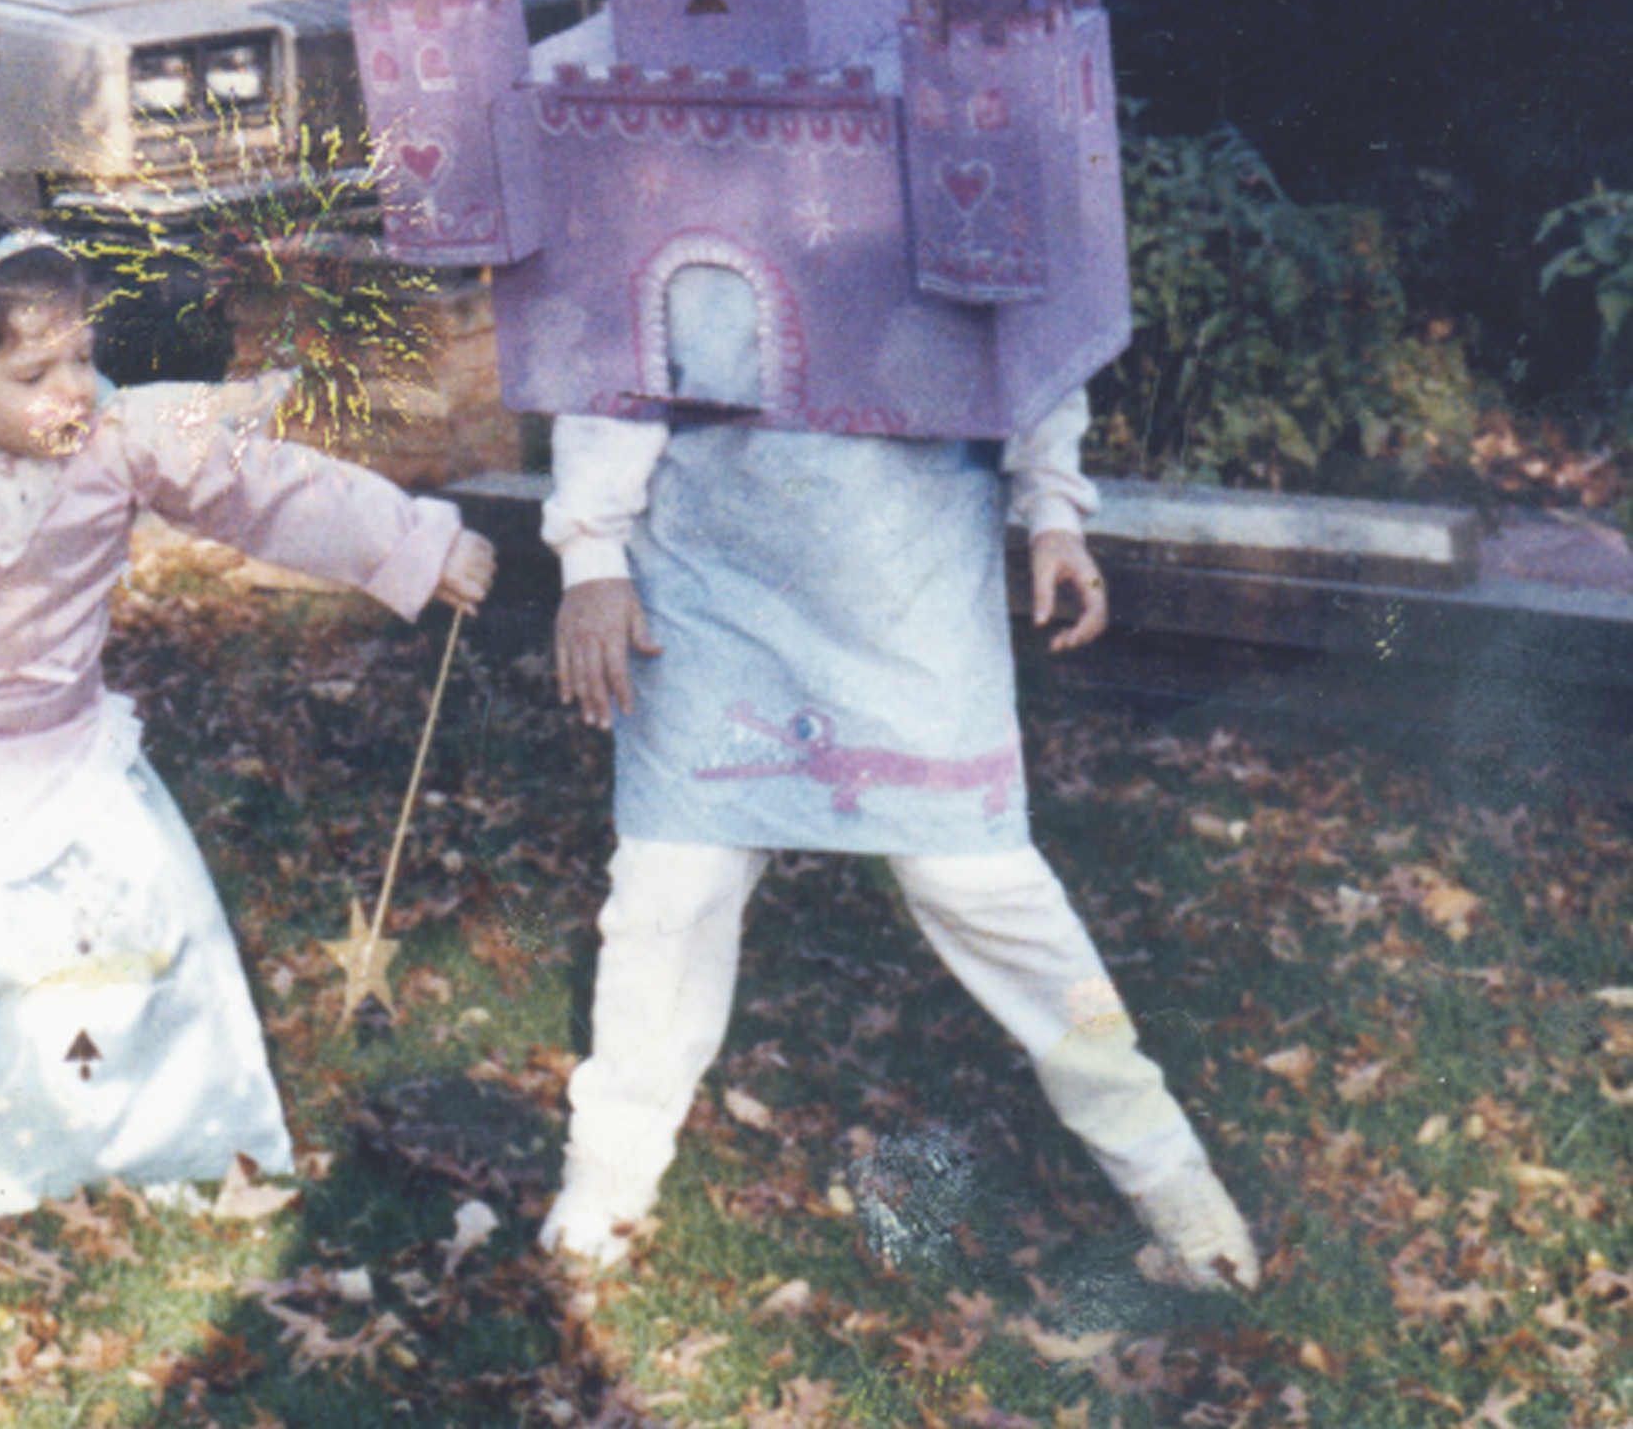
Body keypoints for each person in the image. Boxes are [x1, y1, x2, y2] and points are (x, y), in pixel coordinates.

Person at [0, 220, 495, 1270]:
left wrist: (417, 543)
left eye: (82, 357)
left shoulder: (121, 442)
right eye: (34, 374)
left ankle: (159, 1136)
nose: (73, 391)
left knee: (146, 947)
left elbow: (267, 487)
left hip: (70, 758)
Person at [537, 265, 1256, 1288]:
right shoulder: (677, 160)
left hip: (911, 581)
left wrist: (1054, 508)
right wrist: (592, 556)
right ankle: (605, 1182)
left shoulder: (960, 157)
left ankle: (1172, 1180)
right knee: (671, 893)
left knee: (987, 892)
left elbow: (1031, 320)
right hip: (711, 580)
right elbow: (621, 328)